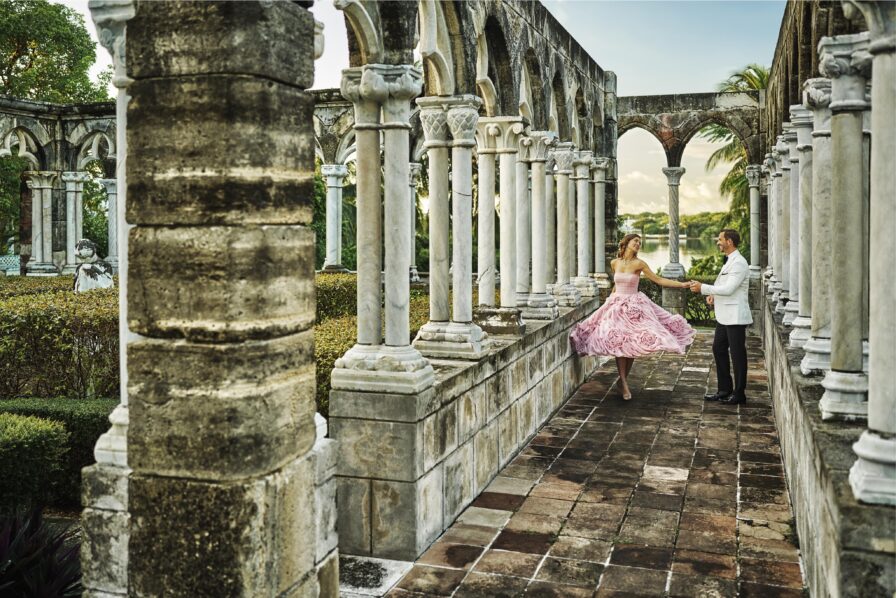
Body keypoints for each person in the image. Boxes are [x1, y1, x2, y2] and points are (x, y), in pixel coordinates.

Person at [570, 233, 696, 401]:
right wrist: (609, 303)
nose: (638, 244)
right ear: (627, 242)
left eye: (640, 242)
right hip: (616, 307)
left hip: (634, 307)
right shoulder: (614, 263)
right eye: (635, 241)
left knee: (631, 343)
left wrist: (682, 284)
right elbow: (616, 285)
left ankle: (622, 382)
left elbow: (658, 279)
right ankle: (623, 383)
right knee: (619, 342)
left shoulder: (639, 264)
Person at [687, 229, 751, 405]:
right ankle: (724, 389)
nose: (718, 242)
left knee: (738, 355)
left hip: (735, 316)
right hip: (725, 316)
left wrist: (703, 288)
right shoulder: (730, 260)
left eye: (720, 239)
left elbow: (730, 289)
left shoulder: (739, 262)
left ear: (729, 241)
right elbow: (725, 285)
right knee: (718, 348)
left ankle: (739, 394)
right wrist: (714, 295)